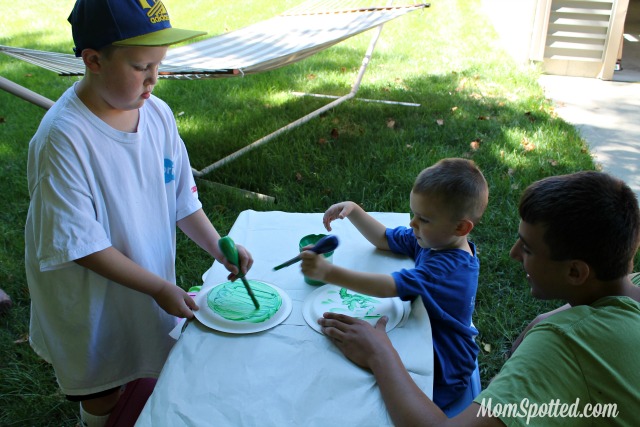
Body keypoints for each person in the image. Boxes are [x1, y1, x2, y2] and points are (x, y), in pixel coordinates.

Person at [24, 1, 253, 426]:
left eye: (159, 65)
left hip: (145, 278)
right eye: (140, 66)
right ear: (92, 60)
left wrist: (219, 247)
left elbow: (183, 200)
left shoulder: (159, 116)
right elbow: (82, 247)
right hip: (89, 298)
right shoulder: (64, 139)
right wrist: (159, 289)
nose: (154, 79)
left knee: (143, 357)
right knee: (103, 384)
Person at [318, 171, 640, 426]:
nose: (513, 255)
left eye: (527, 248)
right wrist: (550, 316)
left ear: (575, 273)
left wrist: (379, 353)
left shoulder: (560, 349)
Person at [301, 158, 489, 414]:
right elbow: (384, 238)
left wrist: (329, 272)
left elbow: (389, 286)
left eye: (423, 218)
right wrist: (355, 211)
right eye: (414, 214)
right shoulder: (434, 240)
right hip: (421, 332)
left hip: (443, 367)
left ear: (460, 227)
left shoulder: (448, 268)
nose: (413, 224)